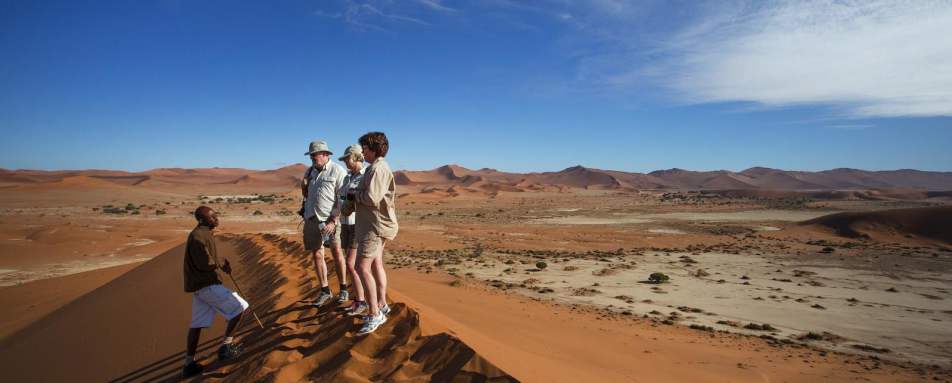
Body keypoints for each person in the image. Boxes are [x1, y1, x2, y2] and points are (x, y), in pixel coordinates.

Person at [182, 206, 248, 378]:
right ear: (202, 220)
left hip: (200, 287)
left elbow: (208, 259)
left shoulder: (203, 234)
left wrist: (220, 263)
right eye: (212, 217)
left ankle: (189, 364)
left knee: (197, 324)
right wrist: (221, 263)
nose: (216, 219)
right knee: (240, 307)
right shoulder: (198, 237)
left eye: (215, 215)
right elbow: (204, 262)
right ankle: (226, 347)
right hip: (207, 285)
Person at [353, 132, 399, 335]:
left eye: (364, 148)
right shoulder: (376, 167)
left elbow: (372, 198)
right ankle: (381, 304)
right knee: (375, 264)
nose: (362, 152)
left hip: (375, 226)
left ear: (374, 149)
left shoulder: (378, 168)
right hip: (375, 225)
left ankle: (374, 313)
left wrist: (353, 194)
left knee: (361, 267)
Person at [301, 140, 349, 306]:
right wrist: (304, 186)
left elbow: (343, 198)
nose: (312, 158)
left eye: (315, 155)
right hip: (312, 218)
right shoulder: (310, 171)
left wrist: (334, 220)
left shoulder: (338, 171)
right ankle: (325, 290)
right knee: (317, 254)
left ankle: (343, 289)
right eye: (311, 155)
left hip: (331, 220)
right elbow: (307, 196)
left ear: (325, 154)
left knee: (336, 252)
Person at [335, 144, 368, 316]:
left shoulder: (365, 176)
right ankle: (357, 299)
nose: (345, 162)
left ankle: (362, 301)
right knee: (351, 265)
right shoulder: (348, 177)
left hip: (357, 224)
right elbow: (341, 197)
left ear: (356, 157)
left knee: (351, 263)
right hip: (345, 223)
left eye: (347, 158)